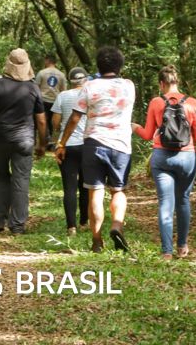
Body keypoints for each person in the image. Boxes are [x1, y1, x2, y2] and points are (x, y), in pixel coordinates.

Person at [133, 65, 196, 260]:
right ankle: (182, 246)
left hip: (162, 157)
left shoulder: (156, 102)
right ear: (177, 82)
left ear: (161, 84)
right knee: (183, 200)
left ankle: (166, 252)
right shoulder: (192, 103)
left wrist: (135, 127)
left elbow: (147, 135)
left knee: (165, 203)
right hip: (187, 157)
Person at [56, 46, 135, 253]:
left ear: (98, 66)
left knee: (95, 192)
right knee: (118, 190)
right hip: (121, 145)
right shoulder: (129, 86)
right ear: (120, 65)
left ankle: (97, 240)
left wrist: (62, 142)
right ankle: (117, 225)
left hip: (94, 143)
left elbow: (75, 117)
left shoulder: (89, 87)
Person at [0, 49, 47, 235]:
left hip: (2, 138)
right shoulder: (33, 88)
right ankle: (17, 225)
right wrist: (42, 143)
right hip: (25, 141)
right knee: (21, 180)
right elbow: (41, 120)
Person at [50, 67, 91, 236]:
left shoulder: (62, 96)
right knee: (86, 186)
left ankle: (71, 227)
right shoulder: (91, 95)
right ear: (86, 80)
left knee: (69, 187)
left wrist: (59, 138)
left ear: (70, 81)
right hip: (88, 144)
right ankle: (84, 222)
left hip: (67, 145)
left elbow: (56, 122)